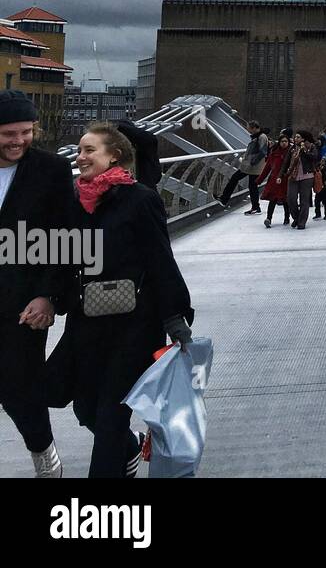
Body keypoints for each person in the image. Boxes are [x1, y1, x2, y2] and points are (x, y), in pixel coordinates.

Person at [47, 123, 192, 478]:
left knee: (112, 412)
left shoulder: (141, 199)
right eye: (79, 150)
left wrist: (175, 316)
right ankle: (129, 448)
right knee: (86, 408)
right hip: (87, 321)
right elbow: (61, 259)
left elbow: (160, 259)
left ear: (115, 155)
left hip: (135, 325)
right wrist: (48, 297)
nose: (80, 157)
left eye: (89, 150)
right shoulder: (74, 202)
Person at [0, 91, 76, 478]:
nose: (18, 141)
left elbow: (67, 237)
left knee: (19, 385)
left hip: (24, 303)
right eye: (8, 133)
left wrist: (48, 295)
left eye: (26, 132)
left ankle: (43, 452)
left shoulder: (52, 171)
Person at [219, 120, 269, 215]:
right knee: (251, 185)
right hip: (251, 166)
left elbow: (263, 151)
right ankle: (255, 207)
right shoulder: (258, 136)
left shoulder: (261, 137)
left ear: (254, 128)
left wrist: (252, 161)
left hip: (253, 167)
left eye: (249, 128)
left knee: (241, 180)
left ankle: (224, 199)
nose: (248, 130)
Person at [115, 120, 162, 190]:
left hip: (141, 192)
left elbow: (149, 138)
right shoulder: (142, 149)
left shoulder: (143, 148)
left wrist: (116, 126)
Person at [257, 132, 291, 228]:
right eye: (282, 141)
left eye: (286, 141)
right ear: (279, 142)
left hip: (286, 180)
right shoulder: (274, 154)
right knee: (273, 199)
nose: (284, 143)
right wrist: (259, 180)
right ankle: (269, 218)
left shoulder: (291, 153)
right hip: (275, 181)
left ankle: (287, 218)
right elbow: (267, 168)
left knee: (285, 200)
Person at [285, 131, 317, 229]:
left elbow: (314, 157)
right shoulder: (292, 148)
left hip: (307, 176)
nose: (296, 139)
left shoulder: (310, 147)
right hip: (293, 176)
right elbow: (286, 162)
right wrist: (281, 175)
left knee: (304, 200)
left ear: (303, 139)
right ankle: (296, 217)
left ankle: (302, 222)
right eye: (295, 137)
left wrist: (304, 152)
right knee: (291, 199)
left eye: (298, 137)